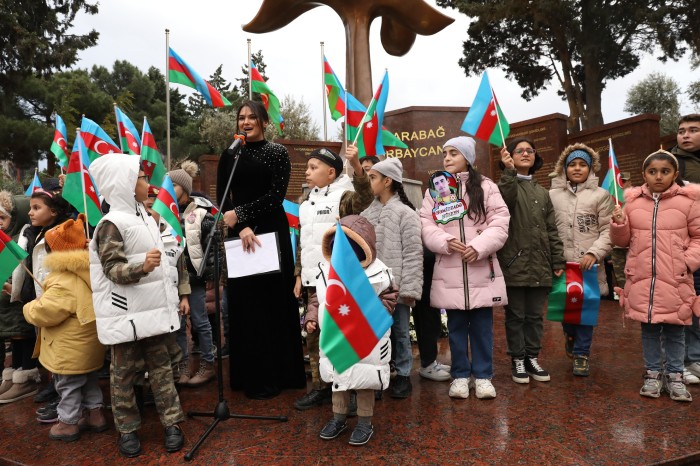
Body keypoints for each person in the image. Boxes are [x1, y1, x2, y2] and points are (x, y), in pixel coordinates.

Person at [88, 153, 185, 458]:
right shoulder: (111, 224)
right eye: (142, 177)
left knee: (161, 371)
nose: (147, 182)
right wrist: (142, 267)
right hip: (125, 315)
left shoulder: (144, 216)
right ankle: (128, 430)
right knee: (123, 378)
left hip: (152, 311)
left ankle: (172, 424)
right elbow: (112, 270)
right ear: (126, 184)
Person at [217, 100, 306, 399]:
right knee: (246, 303)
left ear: (264, 122)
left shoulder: (277, 153)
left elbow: (275, 196)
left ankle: (280, 375)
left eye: (252, 117)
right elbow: (222, 196)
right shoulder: (231, 153)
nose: (245, 122)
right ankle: (248, 376)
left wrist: (241, 214)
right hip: (240, 235)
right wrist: (238, 225)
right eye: (241, 117)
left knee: (271, 301)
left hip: (270, 231)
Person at [420, 136, 510, 399]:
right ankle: (460, 375)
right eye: (444, 153)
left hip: (482, 268)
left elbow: (500, 221)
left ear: (468, 158)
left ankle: (483, 376)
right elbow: (426, 224)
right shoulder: (435, 190)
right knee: (456, 327)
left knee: (482, 327)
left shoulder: (486, 187)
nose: (446, 158)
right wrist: (446, 242)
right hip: (449, 269)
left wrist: (479, 246)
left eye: (453, 153)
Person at [610, 150, 700, 402]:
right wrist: (618, 224)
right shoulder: (633, 203)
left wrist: (686, 262)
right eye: (652, 172)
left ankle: (675, 376)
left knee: (676, 330)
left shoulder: (688, 203)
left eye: (664, 171)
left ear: (675, 174)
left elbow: (698, 237)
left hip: (676, 279)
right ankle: (652, 374)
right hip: (642, 279)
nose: (658, 176)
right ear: (644, 175)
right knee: (649, 329)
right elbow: (622, 241)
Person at [303, 216, 398, 446]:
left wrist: (379, 314)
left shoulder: (378, 273)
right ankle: (338, 417)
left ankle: (365, 422)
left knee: (364, 381)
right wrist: (312, 317)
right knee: (339, 380)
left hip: (367, 338)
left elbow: (390, 297)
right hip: (336, 337)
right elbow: (318, 299)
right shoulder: (327, 272)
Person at [293, 144, 373, 410]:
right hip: (310, 281)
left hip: (337, 280)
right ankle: (321, 387)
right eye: (307, 167)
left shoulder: (344, 196)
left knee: (342, 334)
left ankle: (347, 390)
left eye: (313, 167)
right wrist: (298, 276)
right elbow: (302, 244)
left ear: (330, 172)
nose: (307, 171)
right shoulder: (305, 204)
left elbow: (366, 198)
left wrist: (359, 168)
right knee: (313, 335)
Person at [23, 215, 107, 441]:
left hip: (68, 349)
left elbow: (47, 312)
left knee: (67, 386)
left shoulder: (63, 280)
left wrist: (29, 308)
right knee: (89, 380)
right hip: (89, 345)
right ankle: (95, 415)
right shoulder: (90, 271)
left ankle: (68, 423)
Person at [498, 138, 564, 384]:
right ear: (510, 156)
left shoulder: (542, 192)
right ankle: (517, 358)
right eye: (519, 150)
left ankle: (532, 357)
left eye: (530, 150)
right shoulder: (505, 184)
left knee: (535, 316)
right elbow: (505, 202)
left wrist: (557, 260)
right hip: (514, 262)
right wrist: (508, 172)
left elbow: (551, 230)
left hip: (540, 263)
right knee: (516, 315)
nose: (525, 154)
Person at [360, 157, 422, 398]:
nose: (369, 181)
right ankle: (378, 375)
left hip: (396, 288)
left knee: (400, 332)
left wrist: (409, 289)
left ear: (388, 181)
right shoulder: (367, 214)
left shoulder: (406, 213)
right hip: (372, 288)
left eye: (373, 177)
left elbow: (414, 253)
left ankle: (404, 375)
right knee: (375, 333)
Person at [549, 144, 614, 377]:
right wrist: (554, 258)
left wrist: (594, 253)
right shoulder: (552, 196)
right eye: (572, 164)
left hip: (589, 265)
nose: (577, 168)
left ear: (590, 169)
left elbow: (608, 231)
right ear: (564, 168)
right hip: (562, 264)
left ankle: (582, 354)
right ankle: (569, 335)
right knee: (565, 308)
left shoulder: (601, 196)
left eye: (582, 165)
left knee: (585, 311)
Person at [2, 190, 71, 404]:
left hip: (52, 300)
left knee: (59, 347)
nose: (32, 213)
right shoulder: (31, 235)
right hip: (33, 300)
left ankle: (60, 391)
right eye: (30, 208)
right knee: (44, 344)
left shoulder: (54, 234)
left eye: (37, 208)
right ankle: (50, 384)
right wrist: (15, 289)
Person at [169, 162, 219, 387]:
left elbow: (212, 248)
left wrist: (211, 275)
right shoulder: (164, 213)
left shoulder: (201, 214)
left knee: (200, 321)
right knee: (178, 324)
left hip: (195, 278)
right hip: (172, 279)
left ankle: (208, 364)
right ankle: (183, 366)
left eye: (172, 184)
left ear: (184, 188)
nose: (167, 188)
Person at [671, 114, 700, 385]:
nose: (686, 135)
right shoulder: (671, 164)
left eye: (693, 130)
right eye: (681, 131)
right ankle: (689, 358)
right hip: (688, 248)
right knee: (689, 306)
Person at [0, 192, 33, 400]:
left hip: (19, 306)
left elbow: (22, 276)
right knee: (15, 337)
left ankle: (27, 376)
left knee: (23, 337)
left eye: (2, 217)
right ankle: (13, 375)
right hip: (7, 309)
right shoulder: (6, 241)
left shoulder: (20, 241)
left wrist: (11, 287)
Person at [610, 172, 632, 295]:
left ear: (630, 183)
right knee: (622, 281)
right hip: (617, 248)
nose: (621, 185)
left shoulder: (636, 200)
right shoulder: (612, 200)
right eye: (619, 182)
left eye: (624, 182)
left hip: (632, 247)